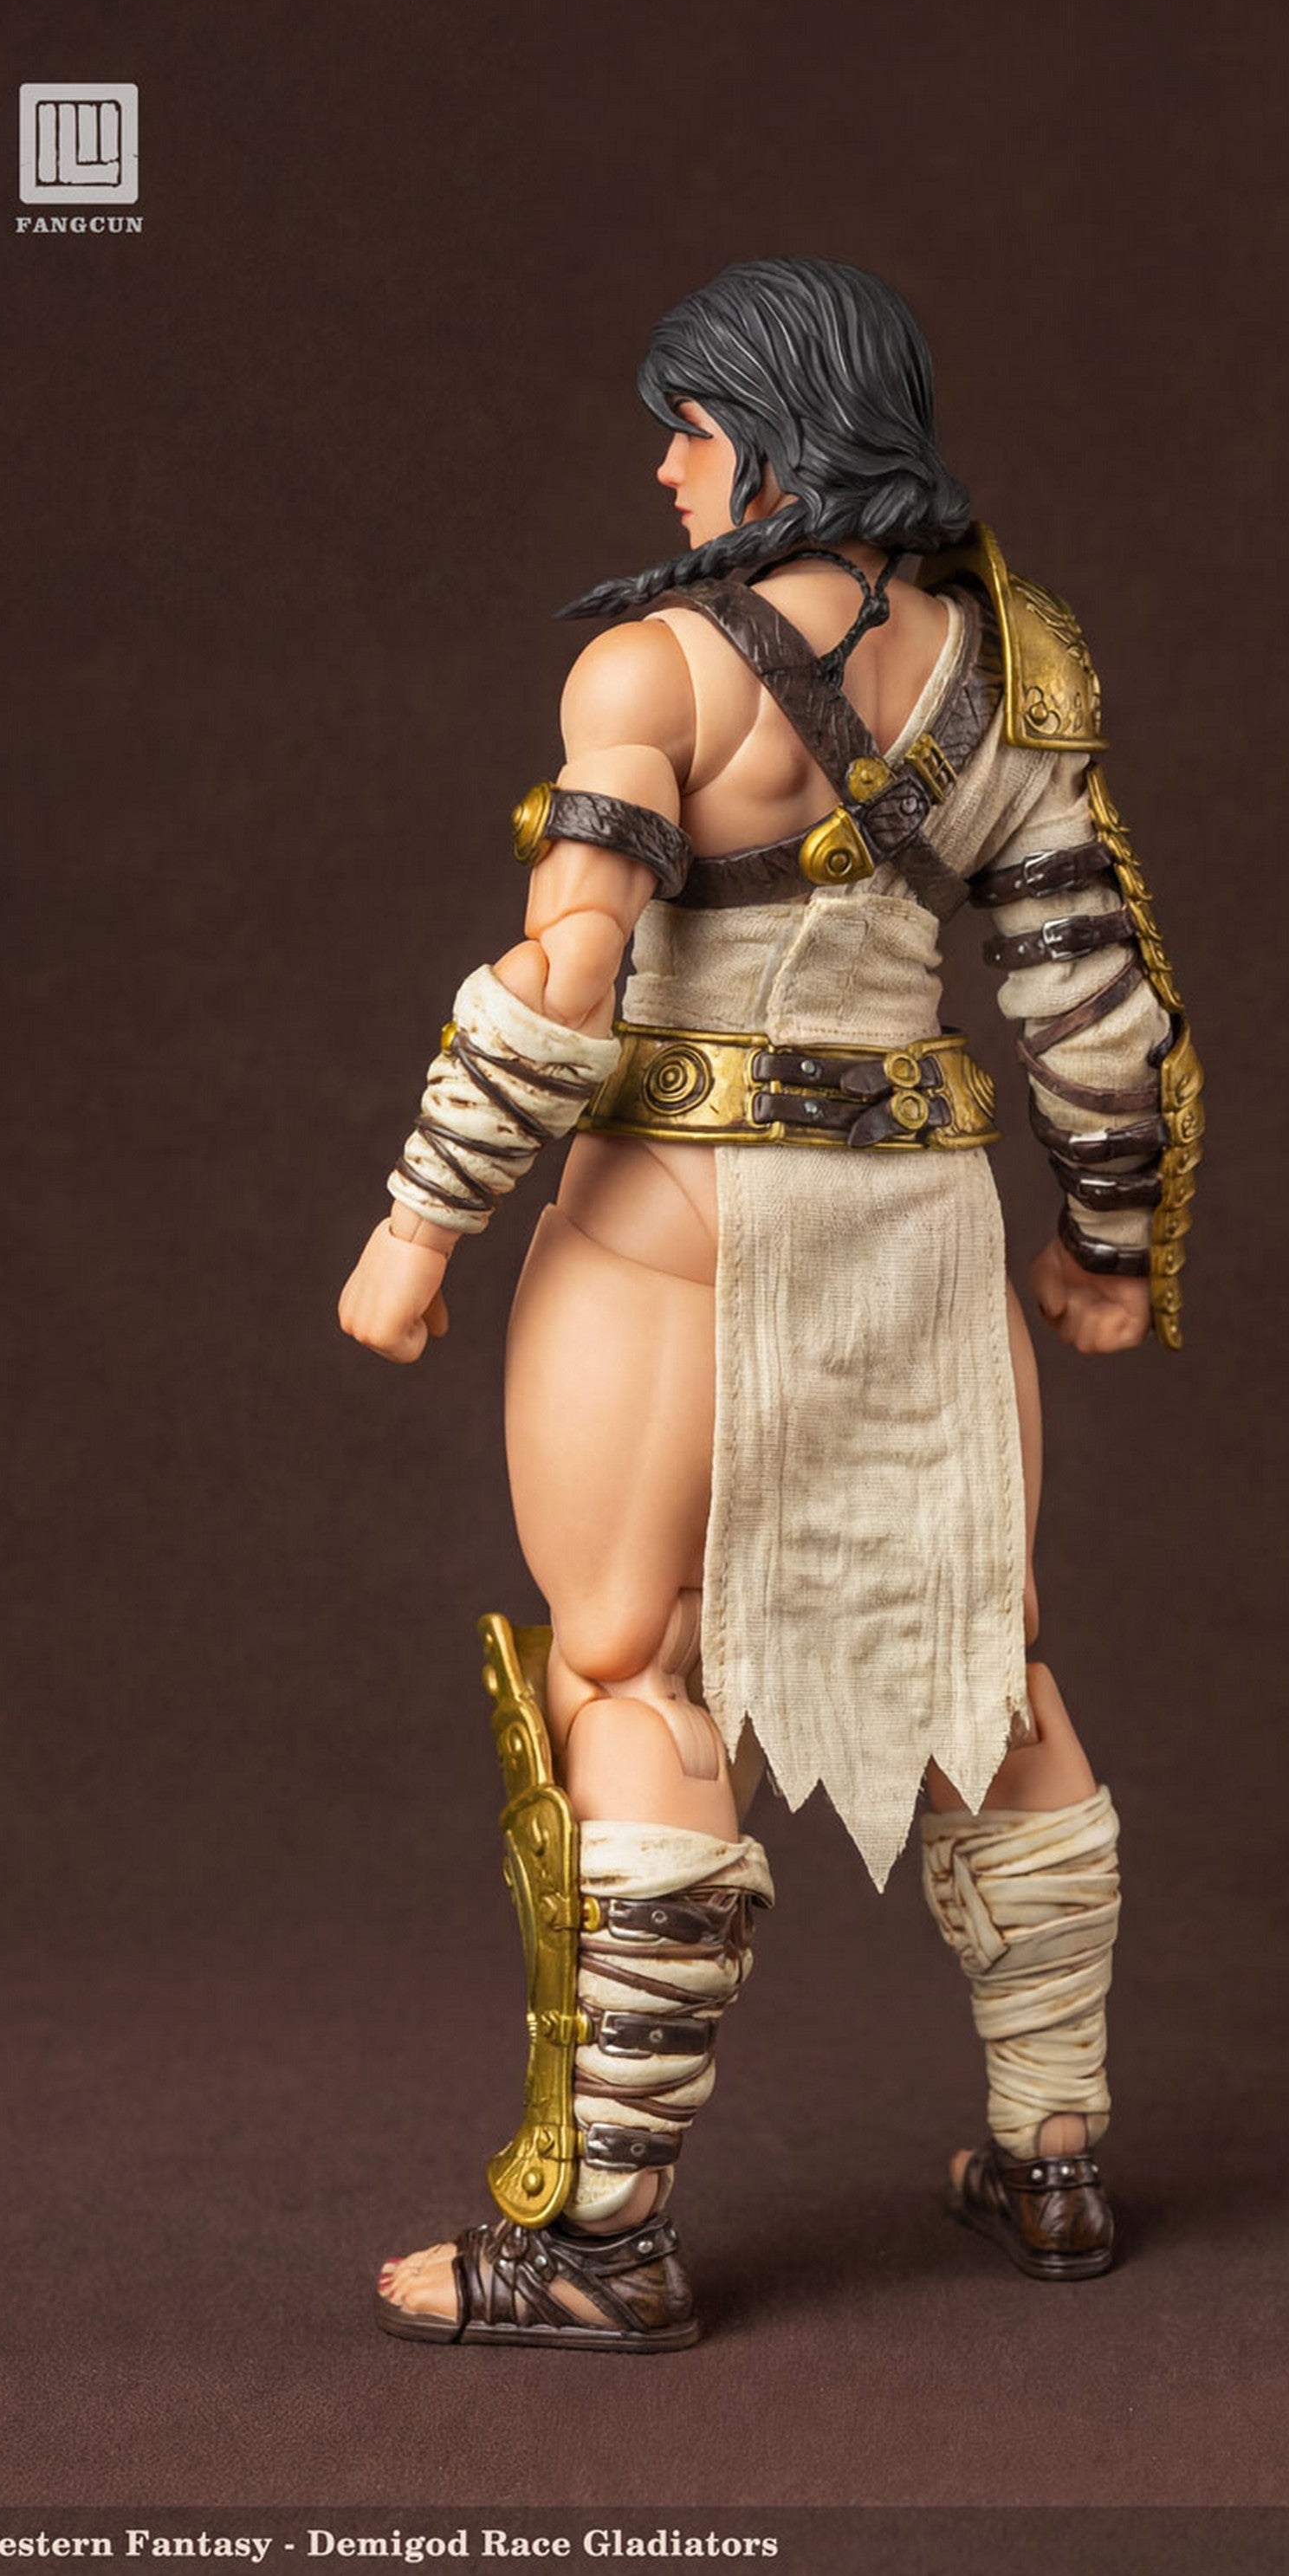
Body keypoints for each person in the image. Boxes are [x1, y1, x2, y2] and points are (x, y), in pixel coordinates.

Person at [338, 257, 1202, 2351]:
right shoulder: (1009, 658)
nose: (667, 467)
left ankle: (604, 2237)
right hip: (920, 1220)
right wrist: (1108, 1239)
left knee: (629, 1671)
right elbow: (1089, 992)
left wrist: (420, 1225)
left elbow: (566, 973)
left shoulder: (656, 670)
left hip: (674, 1218)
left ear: (779, 444)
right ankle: (1055, 2157)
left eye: (695, 428)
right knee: (982, 1668)